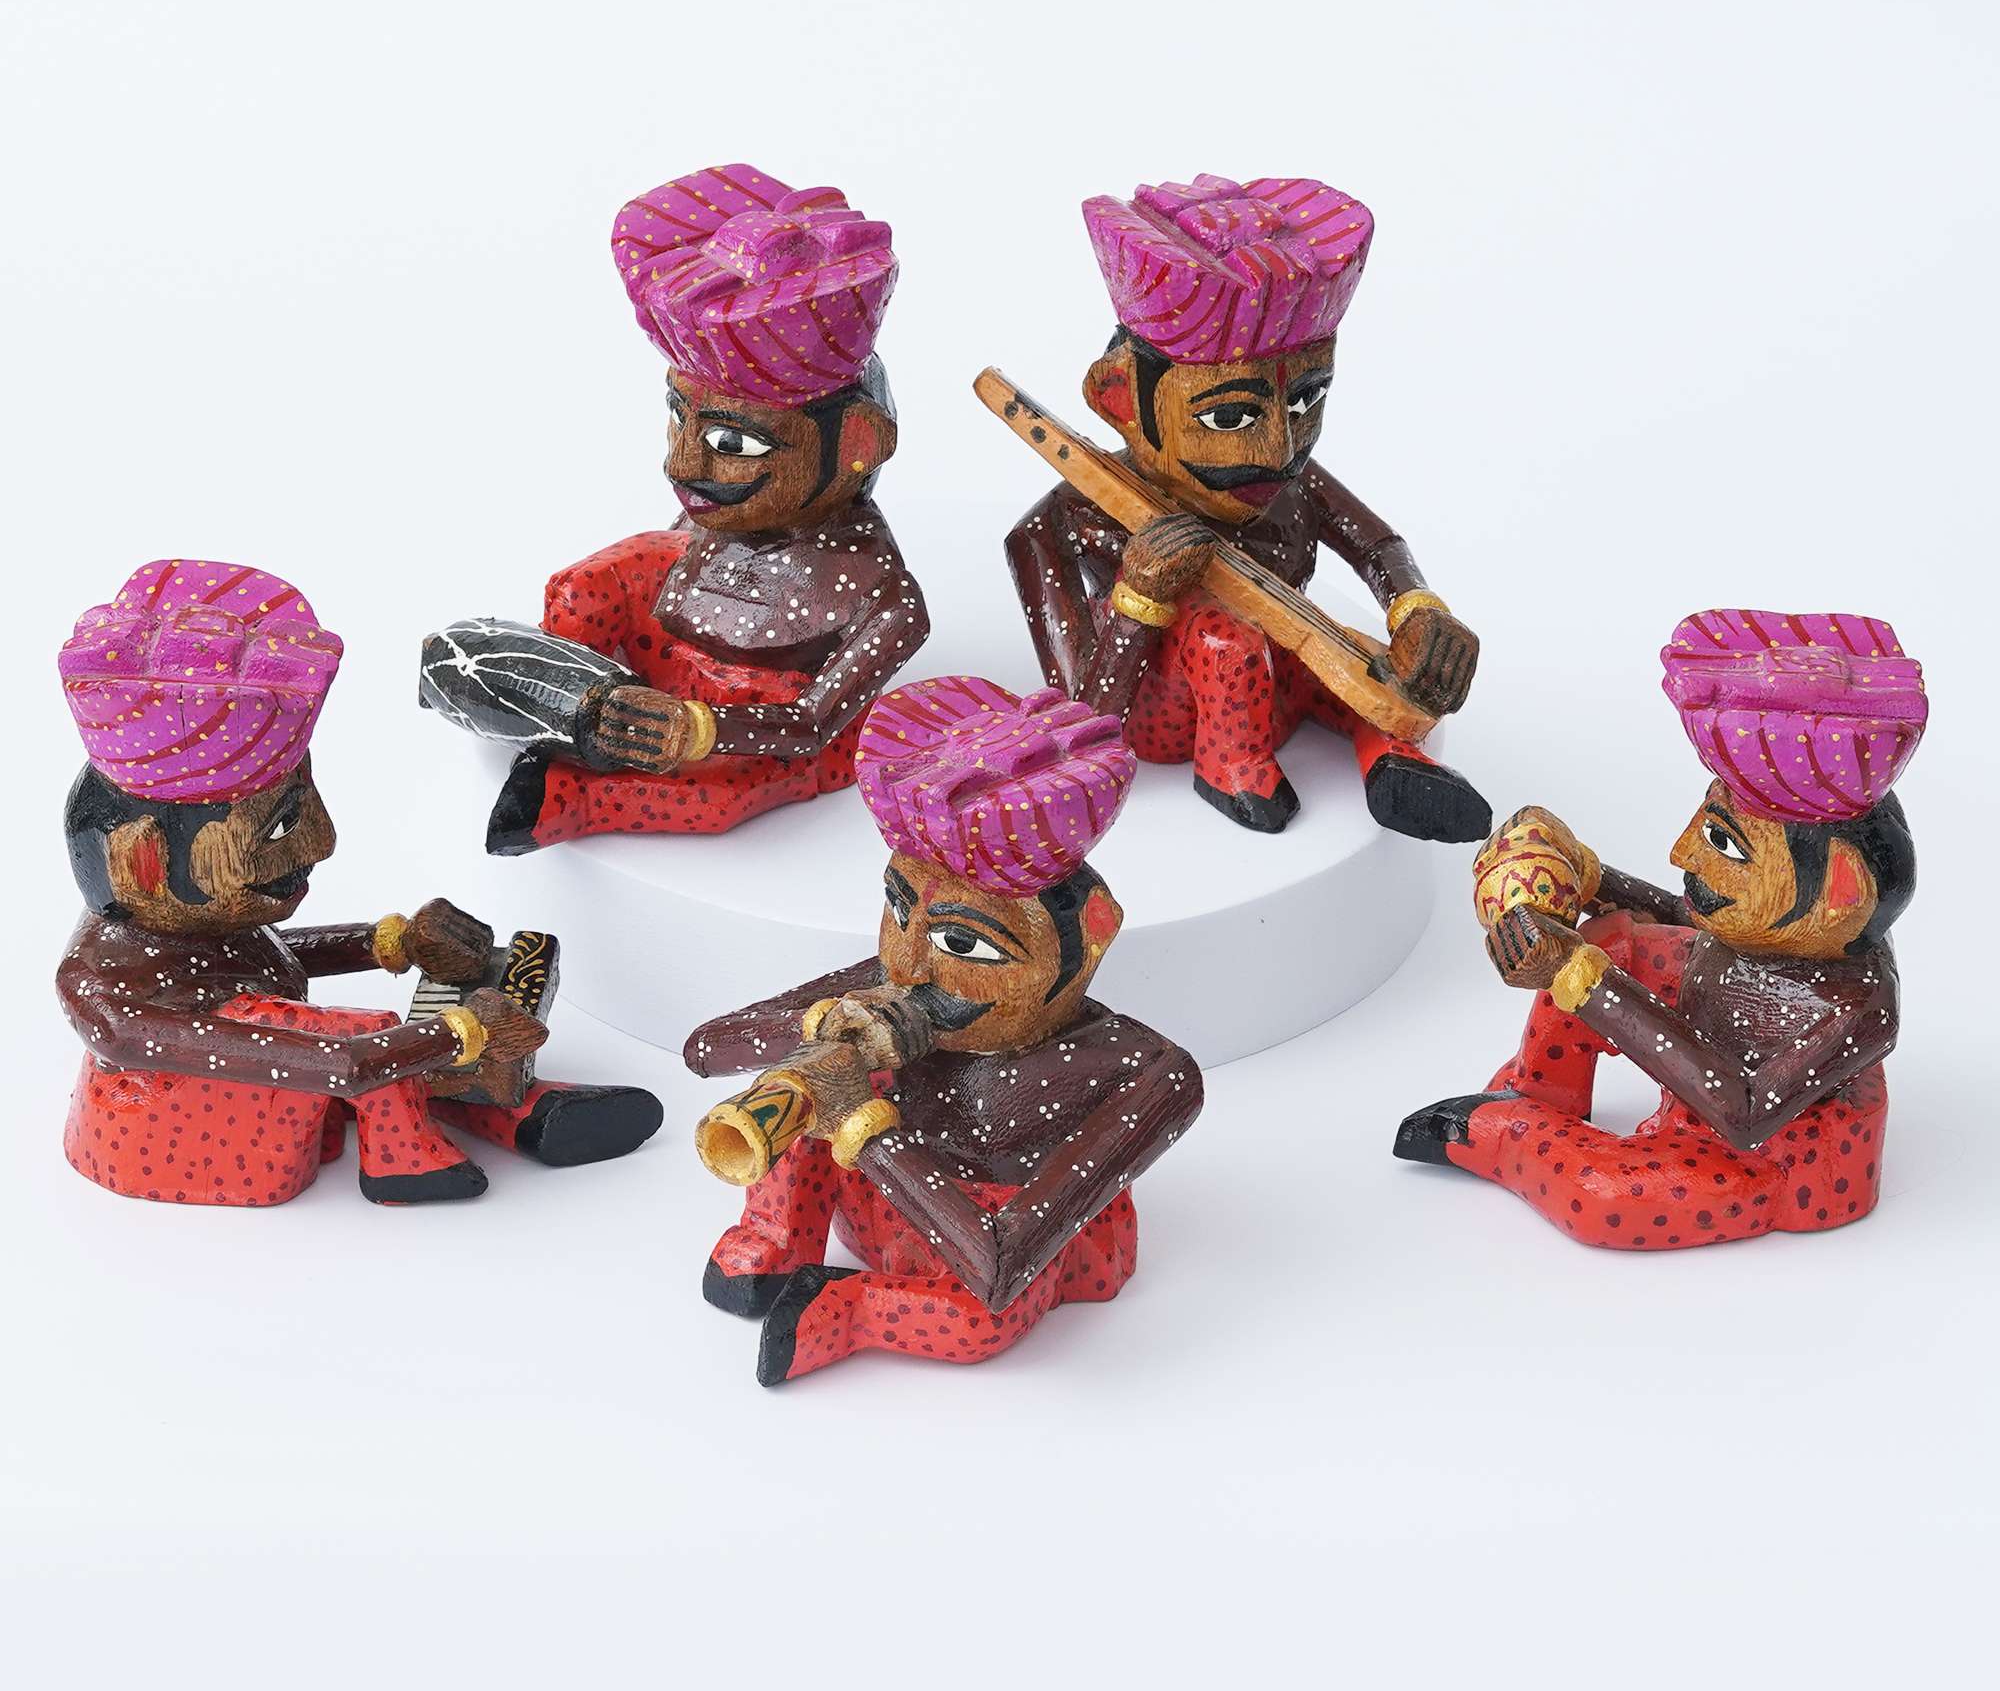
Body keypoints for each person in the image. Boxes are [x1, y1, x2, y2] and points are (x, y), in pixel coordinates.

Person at [57, 559, 661, 1207]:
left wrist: (390, 941)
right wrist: (459, 1031)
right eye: (281, 825)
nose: (323, 842)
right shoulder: (101, 991)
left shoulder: (196, 929)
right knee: (359, 1040)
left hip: (258, 1088)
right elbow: (337, 1063)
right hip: (179, 1139)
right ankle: (406, 1163)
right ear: (145, 862)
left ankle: (516, 1115)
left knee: (374, 1051)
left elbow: (262, 963)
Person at [686, 675, 1203, 1384]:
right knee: (809, 1082)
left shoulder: (1146, 1071)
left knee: (981, 1319)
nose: (908, 965)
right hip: (881, 1193)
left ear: (1092, 936)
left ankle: (851, 1306)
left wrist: (870, 1129)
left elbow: (1002, 1264)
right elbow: (707, 1046)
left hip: (974, 1236)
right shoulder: (888, 983)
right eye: (898, 911)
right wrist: (820, 1027)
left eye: (964, 944)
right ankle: (777, 1235)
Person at [423, 164, 929, 850]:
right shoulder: (705, 521)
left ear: (859, 443)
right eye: (677, 418)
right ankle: (566, 707)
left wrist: (700, 729)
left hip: (751, 731)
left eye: (731, 443)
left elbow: (812, 723)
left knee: (729, 788)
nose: (681, 466)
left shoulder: (885, 598)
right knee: (596, 582)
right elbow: (633, 586)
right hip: (640, 678)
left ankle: (578, 784)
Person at [1395, 609, 1925, 1248]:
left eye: (1724, 844)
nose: (1681, 852)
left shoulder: (1862, 1007)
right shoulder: (1763, 931)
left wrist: (1582, 979)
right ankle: (1542, 1088)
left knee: (1602, 1197)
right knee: (1612, 939)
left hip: (1776, 1153)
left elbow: (1744, 1112)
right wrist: (1593, 878)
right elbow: (1689, 919)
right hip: (1711, 1008)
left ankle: (1511, 1134)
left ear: (1840, 893)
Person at [1006, 173, 1487, 838]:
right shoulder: (1058, 523)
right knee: (1221, 635)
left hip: (1284, 668)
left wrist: (1418, 610)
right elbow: (1083, 712)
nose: (1280, 449)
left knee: (1360, 660)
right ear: (1120, 399)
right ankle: (1229, 763)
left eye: (1306, 400)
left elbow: (1378, 546)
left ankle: (1389, 758)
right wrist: (1139, 597)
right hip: (1168, 717)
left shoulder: (1292, 481)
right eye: (1230, 417)